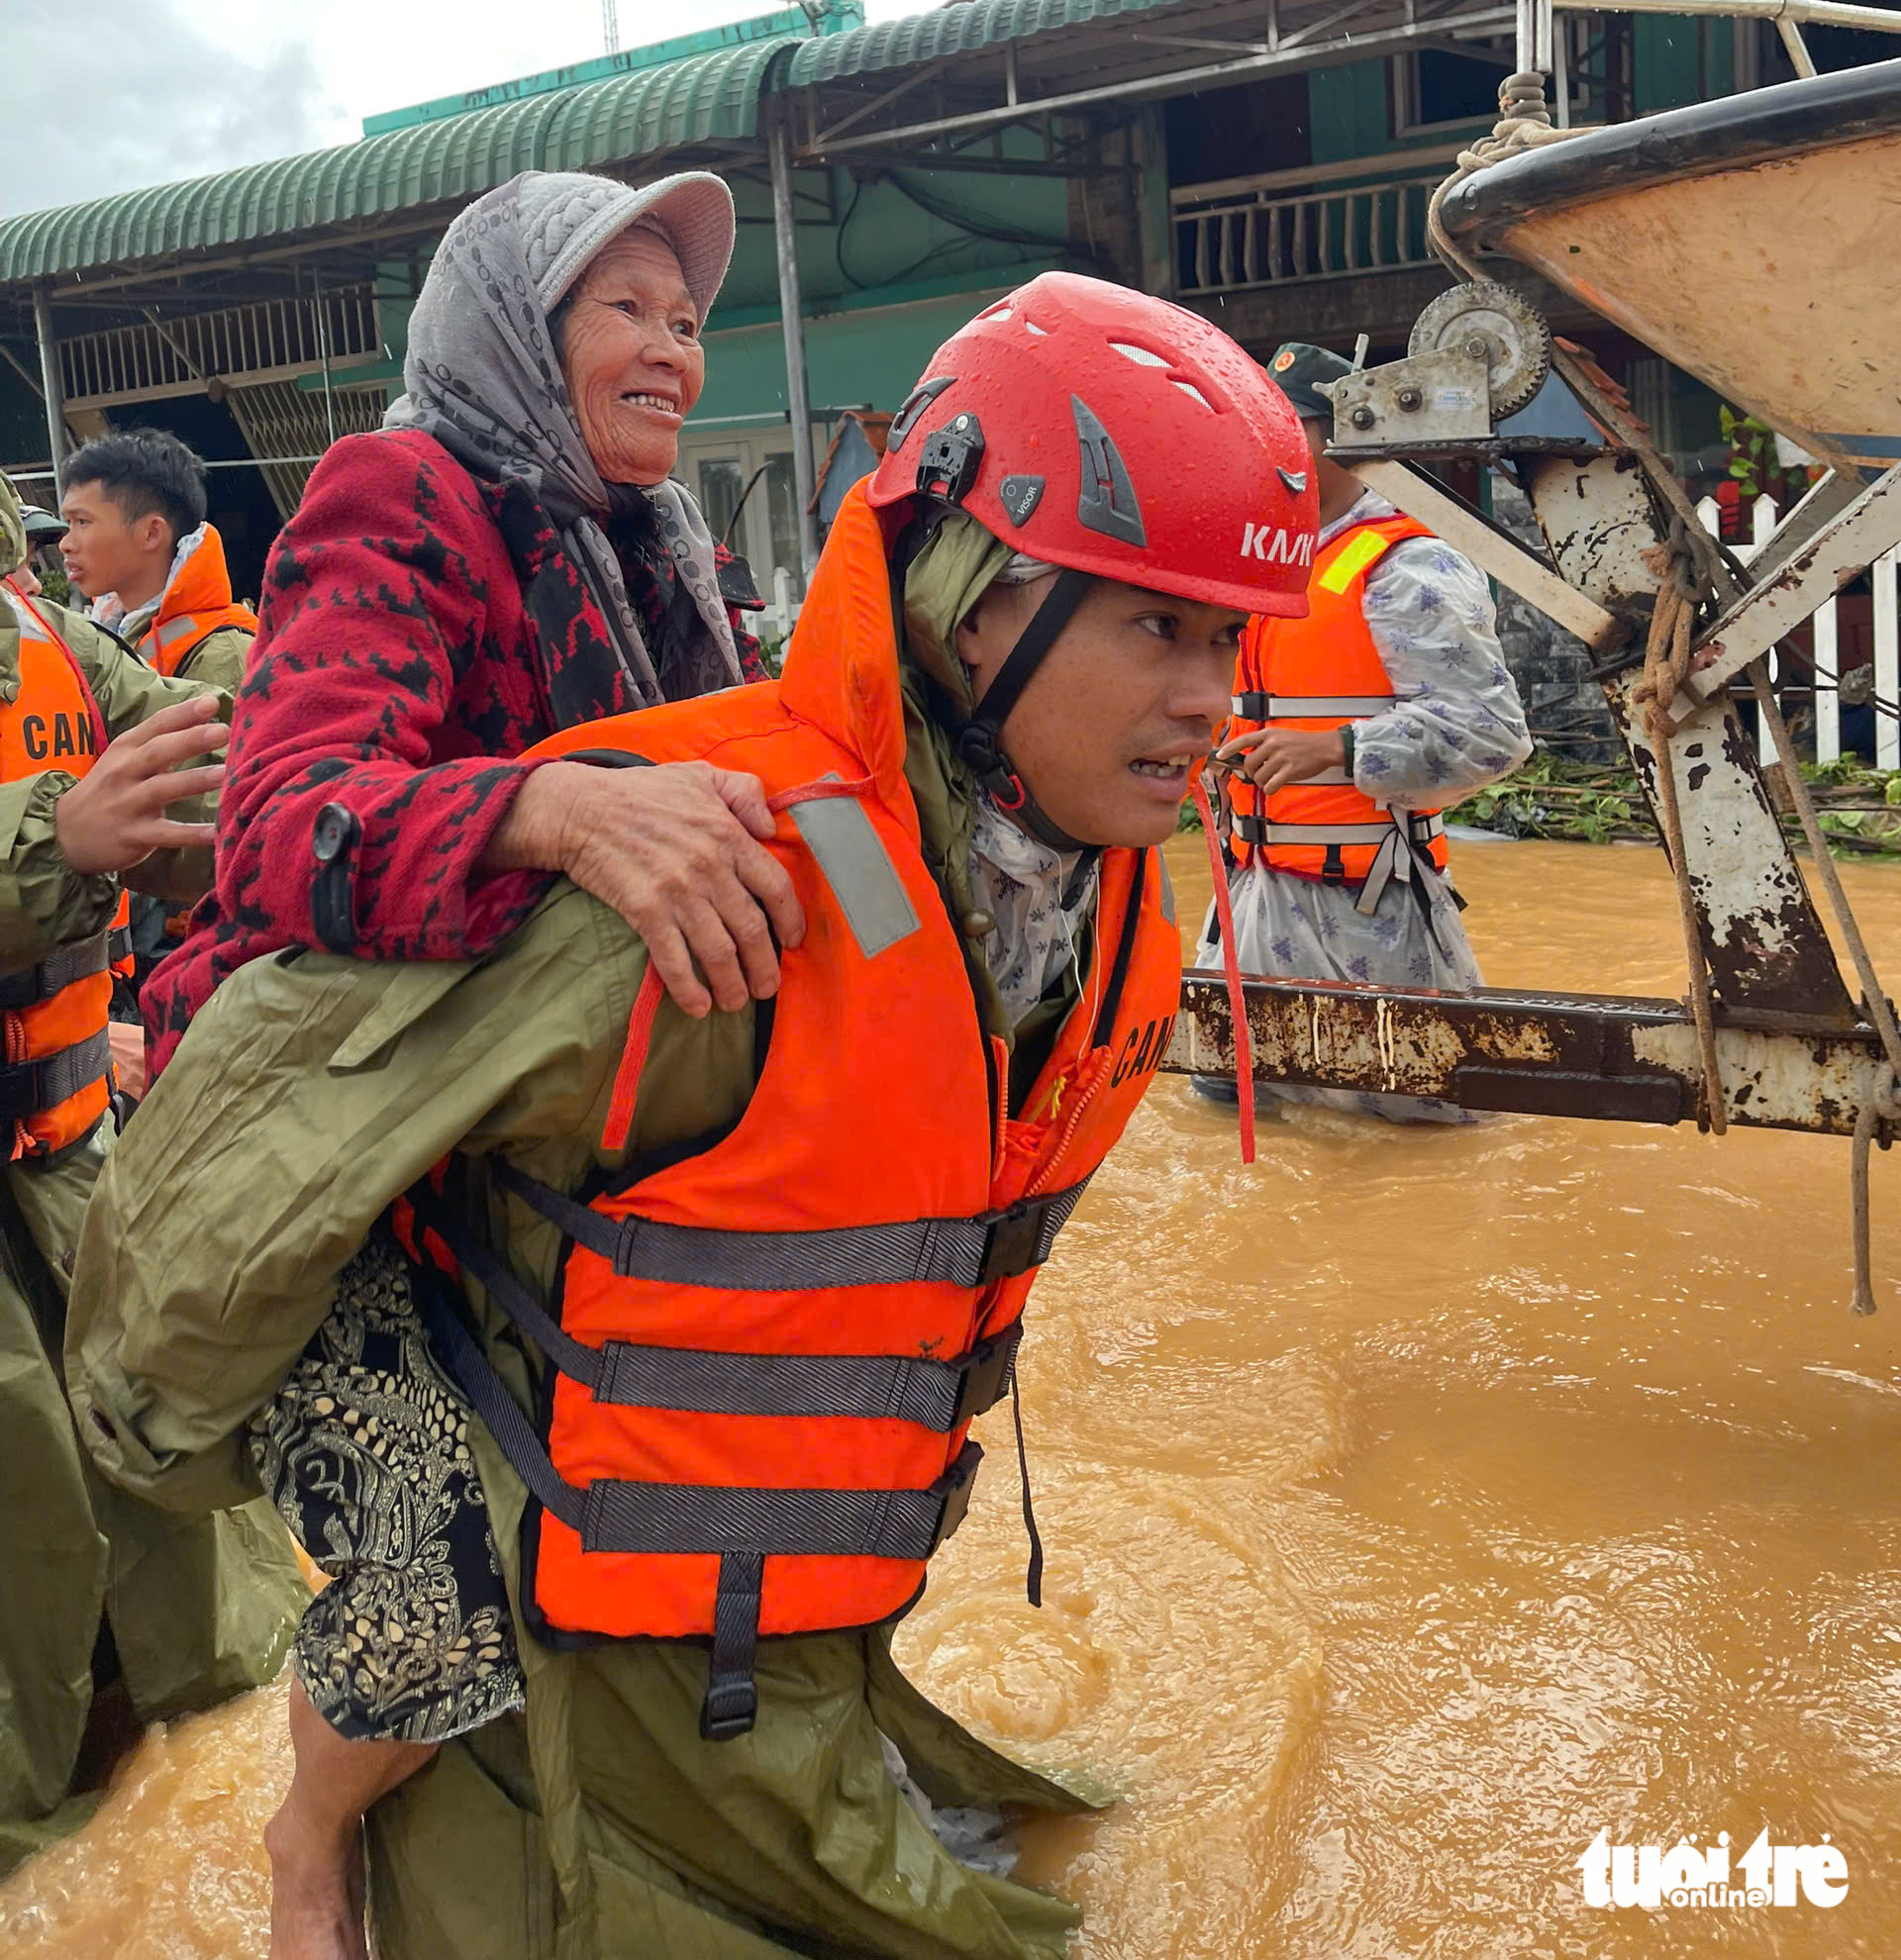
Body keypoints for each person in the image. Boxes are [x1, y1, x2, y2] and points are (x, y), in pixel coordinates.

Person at [68, 273, 1318, 1960]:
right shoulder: (430, 539)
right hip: (429, 1059)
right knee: (422, 1609)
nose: (1210, 700)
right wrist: (550, 816)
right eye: (1153, 626)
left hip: (784, 1604)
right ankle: (314, 1839)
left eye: (1225, 638)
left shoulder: (1048, 898)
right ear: (964, 604)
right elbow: (284, 887)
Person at [139, 166, 795, 1083]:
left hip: (558, 1083)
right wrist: (559, 812)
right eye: (629, 309)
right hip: (362, 1118)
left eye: (685, 324)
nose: (672, 353)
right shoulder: (403, 491)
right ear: (516, 329)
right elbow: (278, 825)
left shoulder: (657, 540)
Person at [0, 471, 305, 1876]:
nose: (60, 535)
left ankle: (213, 1781)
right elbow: (75, 823)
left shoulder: (51, 634)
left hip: (68, 1161)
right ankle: (43, 1846)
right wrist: (52, 844)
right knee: (30, 1509)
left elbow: (219, 764)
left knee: (158, 1448)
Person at [1200, 340, 1533, 1123]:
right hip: (1246, 893)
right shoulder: (1259, 564)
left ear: (1343, 440)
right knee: (1228, 1103)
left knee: (1419, 1122)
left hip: (1364, 909)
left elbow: (1492, 732)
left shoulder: (1409, 568)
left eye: (1294, 431)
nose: (1271, 453)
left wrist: (1339, 750)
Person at [57, 428, 259, 694]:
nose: (65, 544)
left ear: (151, 533)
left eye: (82, 521)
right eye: (68, 523)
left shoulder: (222, 654)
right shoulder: (104, 635)